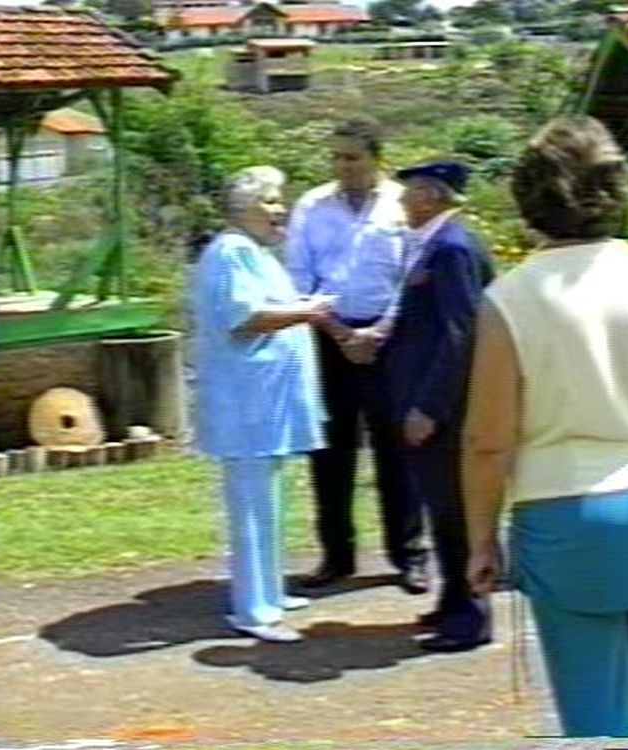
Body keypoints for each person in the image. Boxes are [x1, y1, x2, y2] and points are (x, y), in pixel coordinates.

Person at [463, 117, 628, 736]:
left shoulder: (510, 298)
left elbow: (488, 441)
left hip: (568, 510)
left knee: (597, 707)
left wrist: (481, 541)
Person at [285, 116, 427, 593]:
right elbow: (300, 278)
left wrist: (379, 332)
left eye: (353, 157)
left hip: (389, 338)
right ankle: (336, 556)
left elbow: (411, 277)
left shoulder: (400, 206)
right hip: (329, 335)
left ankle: (409, 555)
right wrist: (339, 331)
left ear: (376, 158)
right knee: (331, 450)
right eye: (337, 157)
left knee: (396, 449)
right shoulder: (312, 206)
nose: (343, 166)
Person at [192, 166, 330, 643]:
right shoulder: (230, 252)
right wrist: (308, 311)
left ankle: (271, 591)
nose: (280, 210)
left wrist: (303, 307)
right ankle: (251, 610)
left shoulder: (258, 253)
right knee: (251, 508)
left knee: (271, 503)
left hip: (267, 405)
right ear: (243, 207)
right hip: (245, 406)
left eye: (279, 200)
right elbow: (245, 317)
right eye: (270, 201)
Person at [380, 161, 494, 653]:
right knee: (443, 509)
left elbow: (460, 334)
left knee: (454, 512)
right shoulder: (438, 243)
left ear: (429, 196)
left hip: (448, 410)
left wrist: (429, 406)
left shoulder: (452, 249)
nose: (402, 203)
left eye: (408, 194)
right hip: (436, 405)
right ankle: (452, 600)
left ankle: (470, 614)